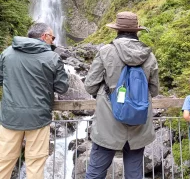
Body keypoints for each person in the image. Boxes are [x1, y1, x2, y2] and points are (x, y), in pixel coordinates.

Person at [84, 11, 159, 179]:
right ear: (136, 31)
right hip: (139, 124)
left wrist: (108, 91)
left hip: (108, 123)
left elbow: (90, 86)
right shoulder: (149, 55)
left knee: (95, 173)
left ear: (117, 30)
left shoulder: (106, 51)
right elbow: (154, 90)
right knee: (134, 175)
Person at [0, 22, 69, 179]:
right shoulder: (52, 57)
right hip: (39, 118)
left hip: (11, 116)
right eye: (53, 37)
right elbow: (62, 87)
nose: (53, 41)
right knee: (35, 164)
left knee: (3, 162)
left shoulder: (7, 53)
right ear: (44, 37)